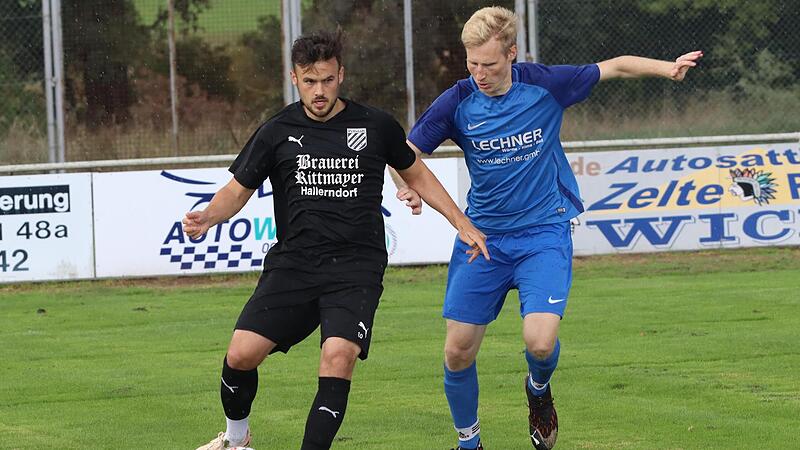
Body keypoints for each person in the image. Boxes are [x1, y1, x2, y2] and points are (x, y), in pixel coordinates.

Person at [391, 7, 702, 450]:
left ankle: (538, 391)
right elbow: (403, 151)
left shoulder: (546, 84)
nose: (479, 73)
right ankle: (469, 443)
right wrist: (407, 186)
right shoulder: (458, 100)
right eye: (472, 63)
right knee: (457, 351)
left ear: (512, 54)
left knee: (539, 343)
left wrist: (667, 68)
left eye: (490, 65)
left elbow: (613, 66)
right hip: (483, 238)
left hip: (543, 232)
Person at [186, 30, 489, 450]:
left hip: (356, 268)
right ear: (295, 79)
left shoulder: (375, 124)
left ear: (341, 75)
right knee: (240, 356)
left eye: (327, 80)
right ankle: (237, 440)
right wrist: (208, 217)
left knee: (337, 357)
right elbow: (238, 190)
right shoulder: (276, 131)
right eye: (310, 82)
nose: (319, 91)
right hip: (294, 263)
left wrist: (461, 221)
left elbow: (415, 171)